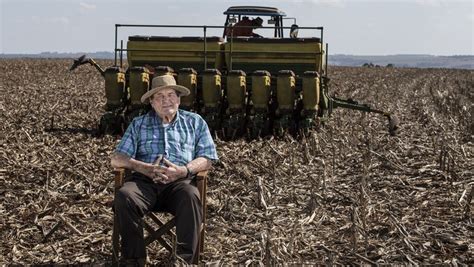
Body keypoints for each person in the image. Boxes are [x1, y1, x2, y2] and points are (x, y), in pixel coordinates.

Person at [111, 74, 218, 265]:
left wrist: (184, 170)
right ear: (151, 102)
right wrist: (144, 168)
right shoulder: (139, 124)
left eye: (170, 95)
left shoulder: (195, 122)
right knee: (125, 196)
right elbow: (117, 159)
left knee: (191, 196)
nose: (166, 100)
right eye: (159, 96)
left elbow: (208, 158)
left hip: (179, 183)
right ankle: (134, 259)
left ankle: (183, 261)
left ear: (178, 99)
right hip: (144, 184)